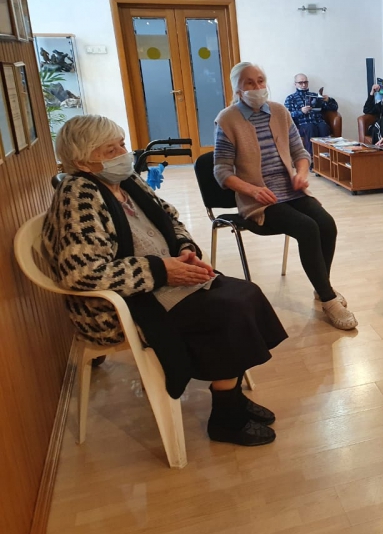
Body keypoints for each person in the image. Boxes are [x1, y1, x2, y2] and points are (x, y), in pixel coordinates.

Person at [42, 115, 288, 447]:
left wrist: (185, 249)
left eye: (122, 144)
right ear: (83, 161)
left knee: (245, 294)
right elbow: (82, 273)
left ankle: (231, 398)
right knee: (226, 311)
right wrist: (162, 271)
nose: (123, 153)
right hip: (127, 301)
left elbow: (171, 218)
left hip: (161, 278)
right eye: (110, 150)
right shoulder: (79, 195)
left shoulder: (126, 180)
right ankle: (225, 418)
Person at [215, 62, 357, 330]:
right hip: (259, 200)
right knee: (307, 228)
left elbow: (300, 153)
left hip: (291, 191)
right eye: (249, 83)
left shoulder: (279, 112)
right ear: (237, 89)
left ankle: (321, 287)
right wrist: (253, 190)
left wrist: (300, 174)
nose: (257, 87)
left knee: (327, 224)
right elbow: (221, 172)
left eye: (260, 80)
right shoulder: (227, 119)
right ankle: (328, 299)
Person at [284, 73, 339, 156]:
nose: (303, 85)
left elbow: (334, 108)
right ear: (295, 84)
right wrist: (301, 111)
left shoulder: (315, 96)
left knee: (323, 126)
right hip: (303, 124)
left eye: (305, 82)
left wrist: (328, 100)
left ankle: (327, 157)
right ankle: (311, 158)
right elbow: (287, 115)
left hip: (318, 122)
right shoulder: (290, 98)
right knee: (310, 127)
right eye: (301, 83)